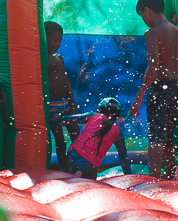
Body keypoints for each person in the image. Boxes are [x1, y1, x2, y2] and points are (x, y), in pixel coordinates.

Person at [129, 0, 178, 178]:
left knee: (156, 136)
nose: (144, 21)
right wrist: (177, 84)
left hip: (161, 87)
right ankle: (170, 174)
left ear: (147, 10)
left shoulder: (152, 33)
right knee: (169, 135)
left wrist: (138, 98)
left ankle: (155, 178)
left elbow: (153, 67)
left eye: (142, 15)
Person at [61, 98, 133, 179]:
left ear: (100, 110)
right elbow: (124, 159)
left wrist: (54, 120)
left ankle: (74, 170)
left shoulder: (93, 116)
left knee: (79, 137)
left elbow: (69, 119)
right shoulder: (118, 132)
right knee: (91, 181)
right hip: (89, 164)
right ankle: (81, 172)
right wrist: (129, 177)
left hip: (72, 155)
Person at [45, 21, 79, 172]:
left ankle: (78, 167)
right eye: (55, 40)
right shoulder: (42, 60)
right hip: (52, 106)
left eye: (60, 41)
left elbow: (66, 82)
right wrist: (50, 66)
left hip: (65, 103)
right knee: (60, 141)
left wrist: (72, 103)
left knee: (76, 136)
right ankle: (65, 170)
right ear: (45, 38)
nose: (58, 44)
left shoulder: (59, 58)